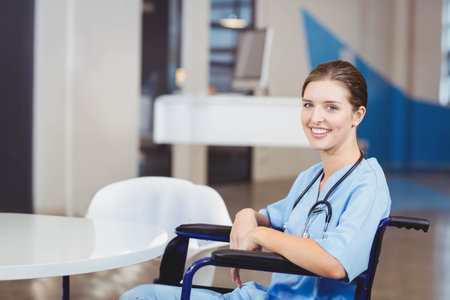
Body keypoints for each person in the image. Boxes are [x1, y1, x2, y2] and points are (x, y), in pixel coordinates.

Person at [120, 60, 391, 300]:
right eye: (308, 105)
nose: (315, 117)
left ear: (357, 115)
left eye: (331, 107)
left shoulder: (367, 186)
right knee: (142, 296)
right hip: (267, 295)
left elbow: (335, 263)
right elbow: (273, 217)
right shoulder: (310, 178)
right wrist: (248, 215)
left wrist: (262, 234)